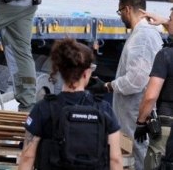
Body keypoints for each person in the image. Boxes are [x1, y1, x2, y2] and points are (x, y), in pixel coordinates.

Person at [18, 39, 122, 170]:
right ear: (86, 73)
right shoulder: (104, 108)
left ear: (60, 71)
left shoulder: (43, 108)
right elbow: (115, 159)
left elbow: (27, 157)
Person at [88, 0, 163, 170]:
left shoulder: (142, 37)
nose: (121, 16)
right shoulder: (143, 34)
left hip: (135, 114)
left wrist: (107, 86)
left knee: (137, 156)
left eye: (120, 11)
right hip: (133, 113)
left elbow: (135, 80)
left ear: (127, 9)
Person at [135, 6, 173, 170]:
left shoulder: (165, 55)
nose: (167, 22)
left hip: (167, 127)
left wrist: (141, 122)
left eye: (170, 19)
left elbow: (150, 96)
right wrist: (165, 21)